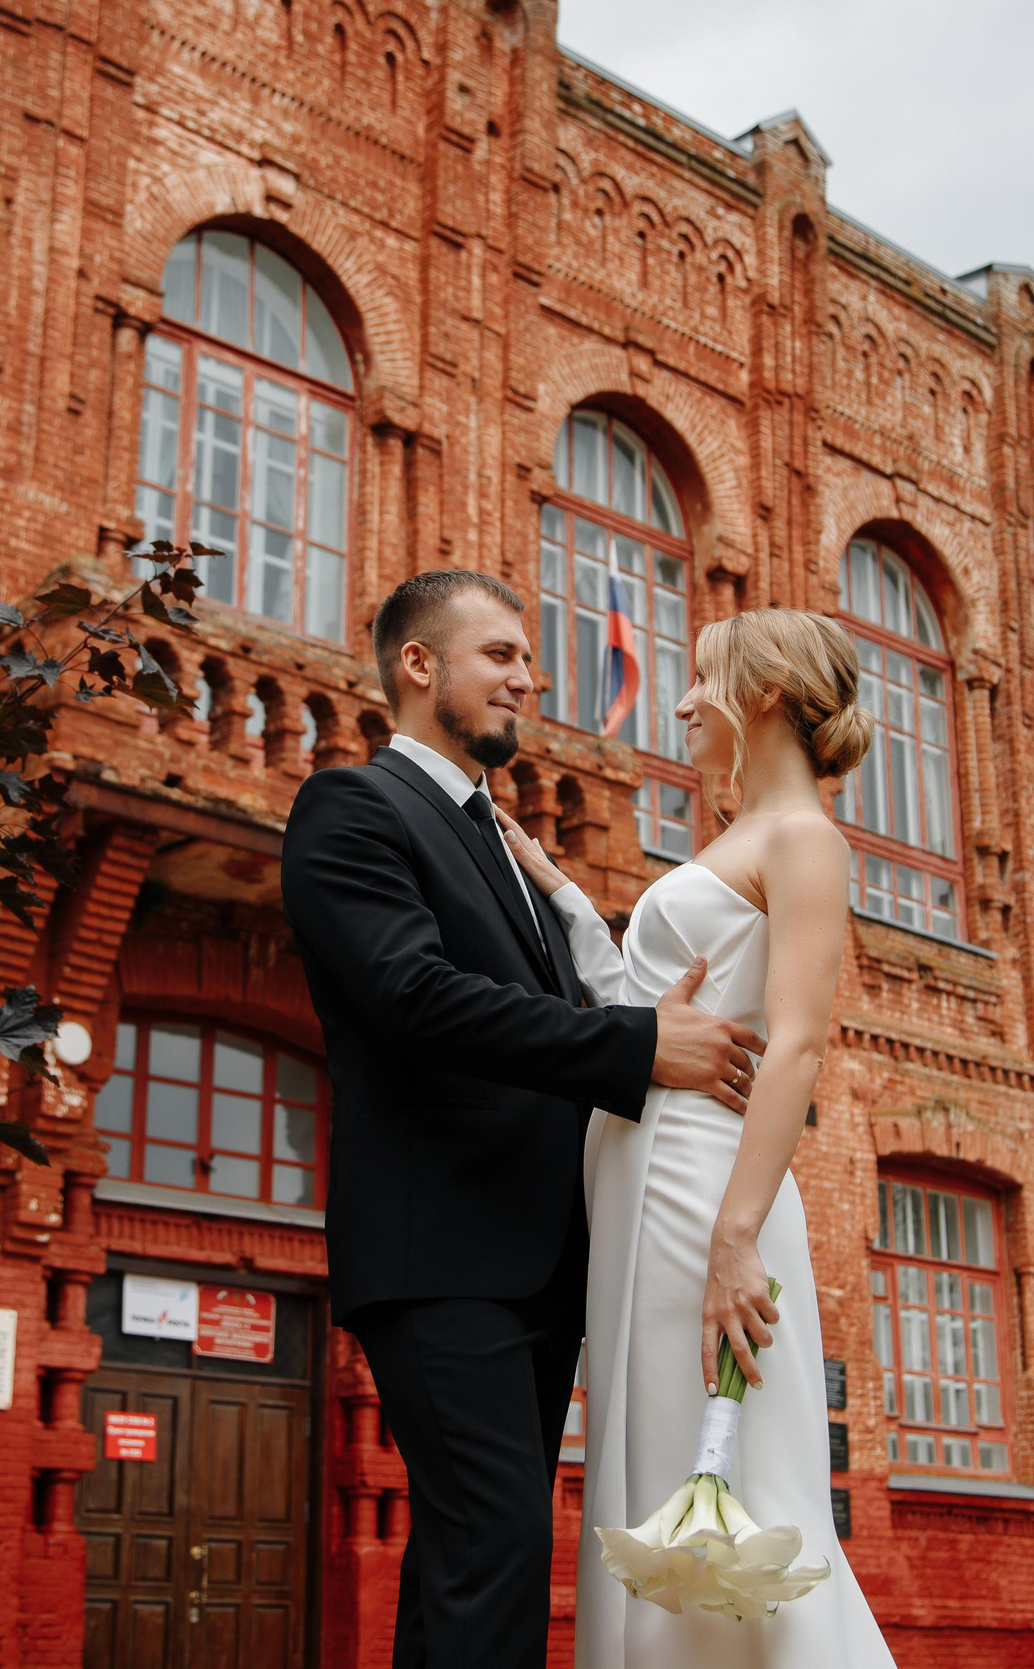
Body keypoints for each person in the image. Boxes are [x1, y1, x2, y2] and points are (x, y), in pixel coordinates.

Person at [280, 570, 768, 1669]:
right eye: (500, 655)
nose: (528, 679)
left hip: (535, 1260)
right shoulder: (352, 806)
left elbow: (546, 1009)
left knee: (478, 1549)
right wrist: (640, 1050)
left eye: (529, 660)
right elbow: (415, 999)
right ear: (419, 665)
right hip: (440, 1252)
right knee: (491, 1543)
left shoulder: (494, 834)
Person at [498, 607, 899, 1667]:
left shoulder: (804, 839)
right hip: (641, 1175)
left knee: (721, 1470)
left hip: (700, 1188)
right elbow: (650, 997)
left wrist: (736, 1238)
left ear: (763, 693)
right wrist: (561, 894)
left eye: (700, 680)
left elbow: (799, 1045)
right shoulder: (734, 838)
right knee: (645, 1451)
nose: (680, 704)